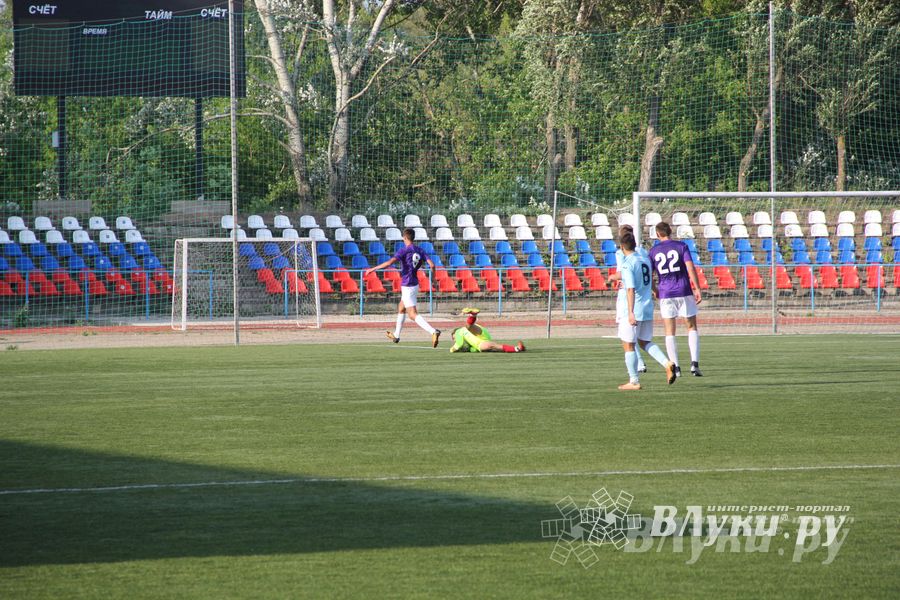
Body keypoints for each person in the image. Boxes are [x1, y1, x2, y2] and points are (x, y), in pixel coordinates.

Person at [617, 232, 676, 391]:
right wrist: (655, 290)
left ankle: (634, 381)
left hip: (634, 309)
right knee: (644, 342)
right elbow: (650, 280)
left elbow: (630, 289)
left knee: (628, 345)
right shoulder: (645, 259)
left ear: (622, 247)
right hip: (647, 307)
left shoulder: (627, 263)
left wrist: (630, 312)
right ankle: (667, 363)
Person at [365, 228, 441, 348]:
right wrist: (433, 280)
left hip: (407, 284)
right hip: (414, 283)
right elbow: (432, 264)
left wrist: (372, 269)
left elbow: (389, 263)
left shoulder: (404, 251)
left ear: (405, 238)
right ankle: (396, 335)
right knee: (401, 307)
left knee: (412, 314)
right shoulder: (419, 250)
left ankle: (433, 331)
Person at [648, 222, 703, 377]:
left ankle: (676, 367)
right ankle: (694, 364)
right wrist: (697, 288)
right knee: (691, 327)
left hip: (666, 293)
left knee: (669, 331)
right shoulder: (681, 246)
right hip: (684, 289)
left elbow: (649, 275)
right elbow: (690, 267)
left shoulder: (653, 251)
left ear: (658, 234)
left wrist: (655, 290)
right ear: (670, 232)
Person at [608, 224, 647, 373]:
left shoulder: (621, 253)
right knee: (641, 337)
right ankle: (662, 362)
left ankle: (639, 365)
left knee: (627, 335)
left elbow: (623, 272)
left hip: (627, 294)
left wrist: (613, 277)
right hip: (643, 294)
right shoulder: (642, 251)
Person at [449, 308, 525, 353]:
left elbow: (458, 345)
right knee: (494, 348)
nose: (454, 339)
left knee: (468, 327)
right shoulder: (467, 342)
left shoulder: (458, 332)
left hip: (478, 336)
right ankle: (517, 348)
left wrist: (452, 349)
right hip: (482, 336)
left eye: (454, 337)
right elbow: (473, 349)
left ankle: (473, 315)